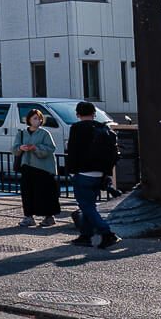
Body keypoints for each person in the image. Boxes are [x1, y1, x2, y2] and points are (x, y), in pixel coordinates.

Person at [63, 101, 120, 249]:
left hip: (82, 172)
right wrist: (107, 173)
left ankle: (107, 233)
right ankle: (86, 235)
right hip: (100, 173)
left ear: (77, 115)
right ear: (94, 114)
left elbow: (73, 150)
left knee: (86, 205)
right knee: (90, 204)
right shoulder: (104, 128)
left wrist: (71, 171)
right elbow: (113, 153)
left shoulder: (76, 128)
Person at [12, 108, 59, 227]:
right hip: (27, 166)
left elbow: (51, 148)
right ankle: (28, 216)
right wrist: (21, 148)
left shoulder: (44, 133)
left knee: (45, 193)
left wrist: (36, 148)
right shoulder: (22, 133)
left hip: (43, 168)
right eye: (34, 118)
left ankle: (49, 216)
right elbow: (14, 148)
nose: (37, 121)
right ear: (29, 120)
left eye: (39, 118)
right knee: (27, 193)